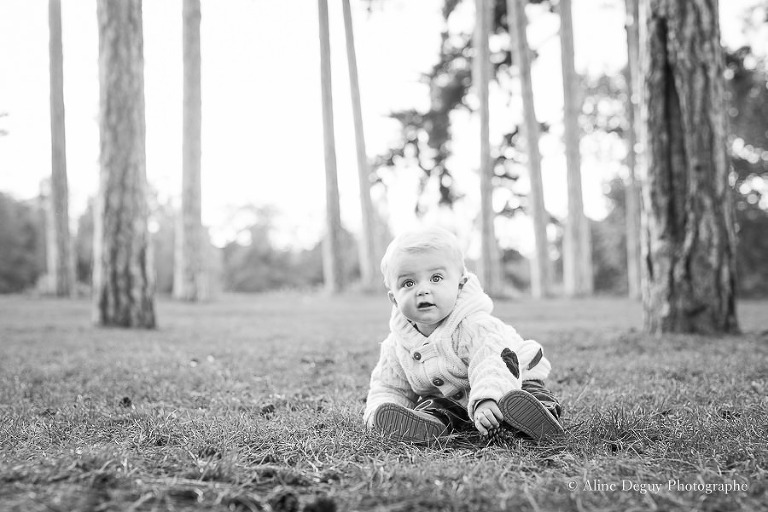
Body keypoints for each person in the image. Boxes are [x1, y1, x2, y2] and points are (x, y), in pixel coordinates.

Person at [363, 226, 564, 443]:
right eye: (408, 283)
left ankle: (540, 417)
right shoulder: (396, 345)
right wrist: (376, 414)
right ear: (394, 299)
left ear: (460, 285)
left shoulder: (475, 325)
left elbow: (492, 362)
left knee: (524, 394)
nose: (422, 289)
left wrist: (487, 398)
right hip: (452, 398)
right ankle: (430, 425)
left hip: (510, 376)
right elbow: (388, 386)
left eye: (436, 278)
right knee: (435, 405)